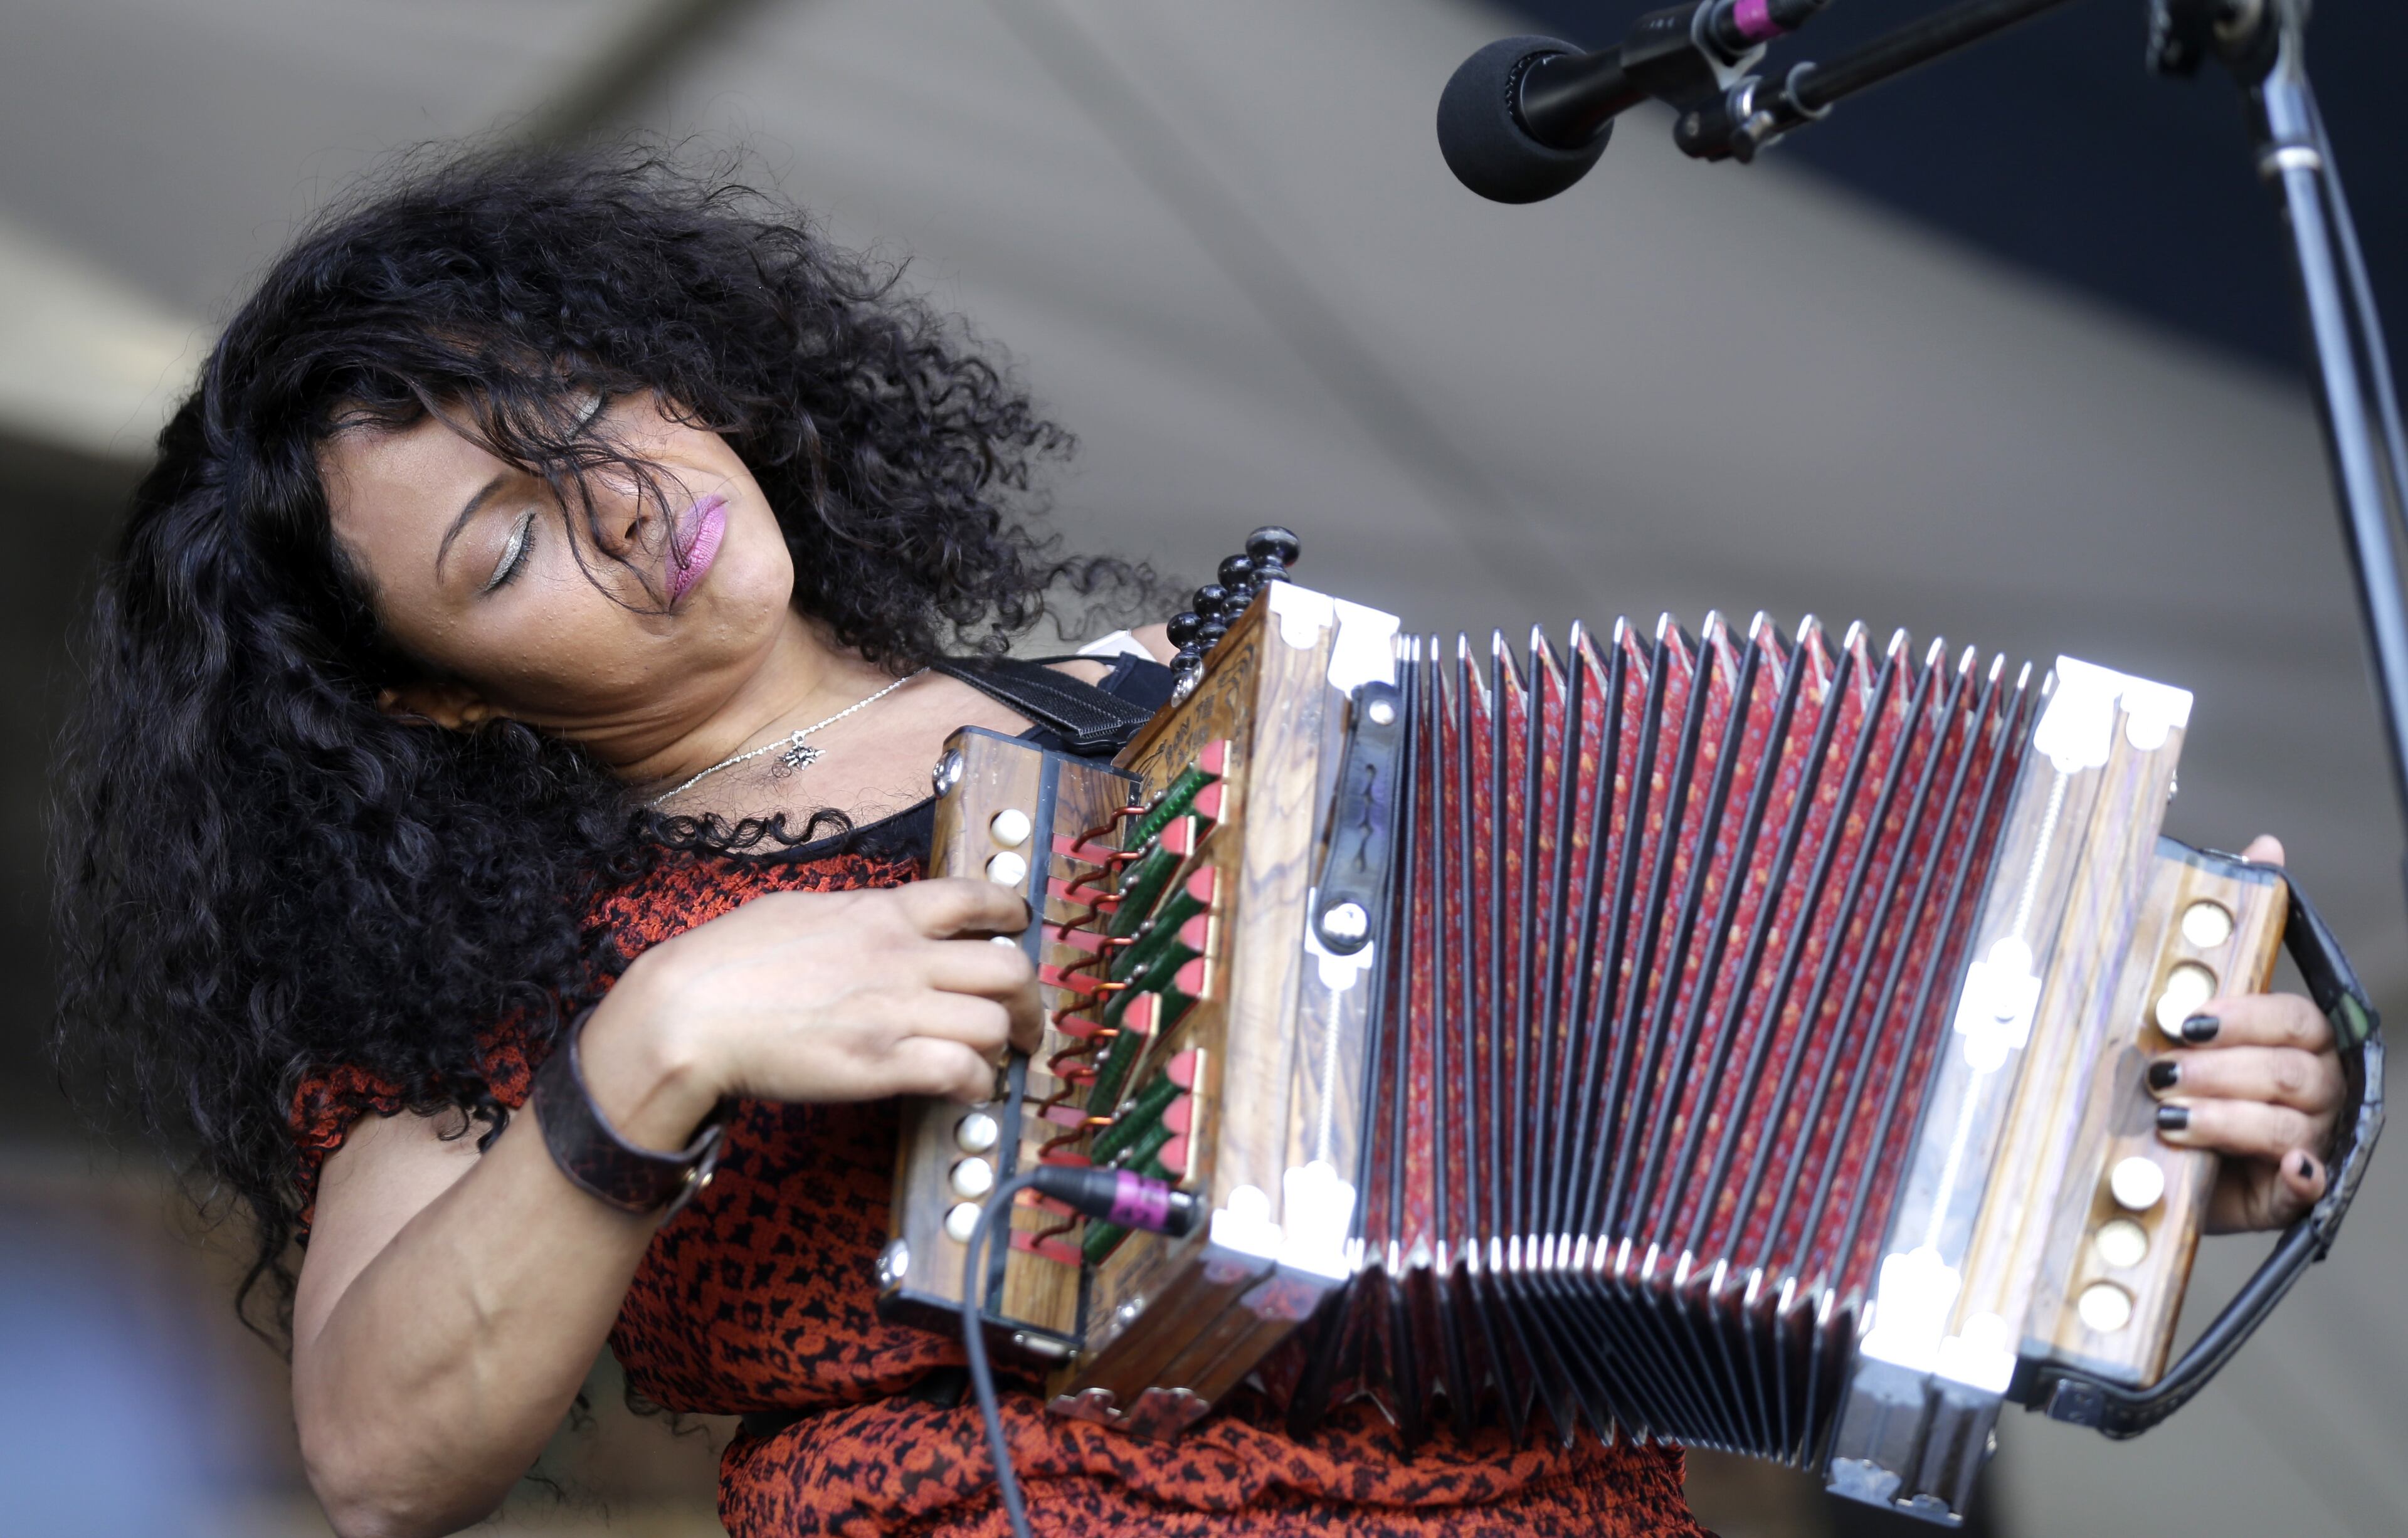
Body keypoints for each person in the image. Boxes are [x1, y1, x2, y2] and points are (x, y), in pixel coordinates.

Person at [53, 147, 2349, 1538]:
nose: (623, 508)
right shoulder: (514, 978)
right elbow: (375, 1460)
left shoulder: (1206, 705)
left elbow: (1704, 1030)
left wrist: (2149, 1115)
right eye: (503, 547)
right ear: (436, 695)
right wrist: (655, 1039)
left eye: (592, 417)